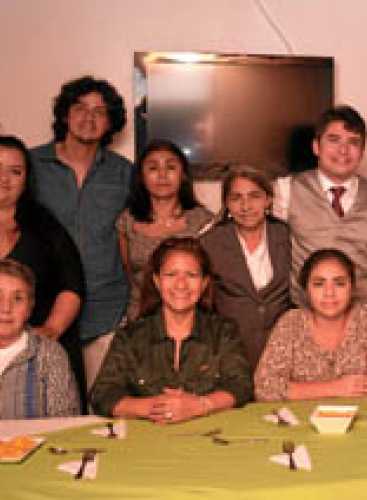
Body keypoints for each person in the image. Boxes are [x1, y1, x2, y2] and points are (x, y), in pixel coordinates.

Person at [30, 76, 134, 390]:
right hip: (43, 312)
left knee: (104, 406)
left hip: (108, 312)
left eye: (100, 112)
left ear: (110, 123)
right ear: (65, 114)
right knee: (48, 406)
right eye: (80, 108)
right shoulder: (31, 165)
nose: (89, 118)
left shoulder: (124, 173)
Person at [91, 238, 252, 423]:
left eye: (191, 275)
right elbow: (103, 394)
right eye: (171, 274)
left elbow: (241, 386)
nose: (181, 284)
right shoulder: (130, 337)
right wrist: (156, 407)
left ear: (204, 283)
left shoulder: (224, 332)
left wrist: (200, 405)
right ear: (157, 281)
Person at [272, 105, 367, 312]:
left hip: (366, 315)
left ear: (362, 152)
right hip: (305, 313)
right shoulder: (286, 190)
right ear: (316, 147)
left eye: (353, 142)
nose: (343, 150)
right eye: (334, 140)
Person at [0, 135, 87, 411]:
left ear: (26, 179)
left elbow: (72, 284)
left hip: (35, 352)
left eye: (15, 172)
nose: (4, 179)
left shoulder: (45, 226)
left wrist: (50, 331)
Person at [253, 249, 367, 401]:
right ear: (306, 289)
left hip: (362, 413)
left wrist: (298, 390)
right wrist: (334, 388)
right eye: (319, 284)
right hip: (303, 415)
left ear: (352, 287)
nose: (329, 293)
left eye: (339, 283)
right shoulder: (291, 322)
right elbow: (264, 387)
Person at [200, 165, 291, 370]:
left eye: (254, 196)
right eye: (236, 198)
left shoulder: (287, 236)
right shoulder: (209, 243)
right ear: (226, 203)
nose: (246, 206)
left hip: (283, 351)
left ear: (268, 200)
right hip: (229, 353)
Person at [118, 139, 213, 321]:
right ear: (142, 177)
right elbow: (129, 273)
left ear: (183, 175)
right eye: (153, 168)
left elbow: (208, 279)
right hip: (140, 319)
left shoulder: (203, 221)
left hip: (191, 321)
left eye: (170, 167)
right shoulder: (127, 221)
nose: (162, 175)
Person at [0, 259, 79, 419]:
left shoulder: (50, 354)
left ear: (30, 308)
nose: (6, 308)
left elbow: (65, 422)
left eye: (18, 298)